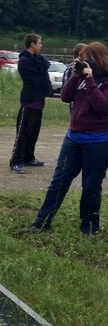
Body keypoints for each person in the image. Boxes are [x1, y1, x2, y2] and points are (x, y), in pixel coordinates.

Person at [27, 41, 108, 236]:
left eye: (89, 60)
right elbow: (64, 96)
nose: (86, 63)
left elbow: (102, 106)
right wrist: (76, 75)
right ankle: (42, 222)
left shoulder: (105, 80)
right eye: (82, 60)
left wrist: (90, 80)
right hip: (74, 138)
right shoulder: (80, 77)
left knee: (90, 186)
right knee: (59, 182)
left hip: (98, 141)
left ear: (100, 59)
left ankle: (89, 229)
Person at [10, 33, 52, 173]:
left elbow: (45, 66)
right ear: (32, 44)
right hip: (29, 100)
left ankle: (29, 157)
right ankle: (16, 160)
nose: (41, 45)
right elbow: (36, 78)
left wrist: (41, 68)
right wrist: (41, 69)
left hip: (39, 99)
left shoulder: (37, 58)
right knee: (24, 131)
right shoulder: (24, 61)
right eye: (39, 43)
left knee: (34, 131)